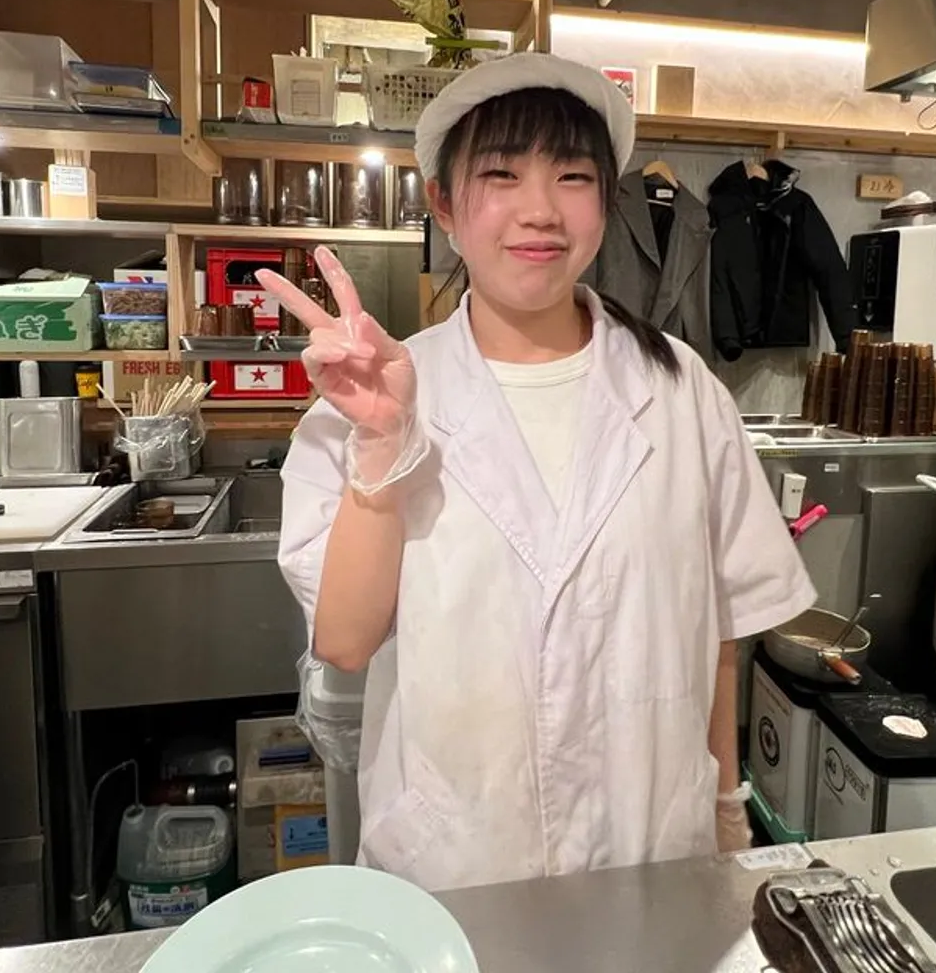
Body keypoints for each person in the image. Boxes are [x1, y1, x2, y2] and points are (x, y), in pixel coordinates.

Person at [262, 53, 814, 894]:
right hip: (459, 859)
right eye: (501, 174)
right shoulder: (383, 390)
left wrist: (725, 801)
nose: (541, 210)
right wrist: (381, 450)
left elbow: (724, 630)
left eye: (573, 176)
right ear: (445, 204)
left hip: (651, 850)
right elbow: (343, 641)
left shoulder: (681, 390)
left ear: (607, 200)